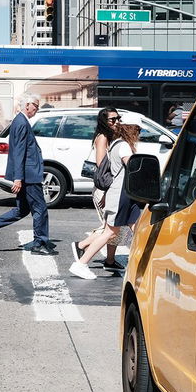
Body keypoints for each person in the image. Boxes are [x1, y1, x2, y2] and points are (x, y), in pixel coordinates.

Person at [0, 93, 54, 255]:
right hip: (28, 174)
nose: (37, 108)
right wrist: (18, 178)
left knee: (22, 209)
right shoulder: (21, 122)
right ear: (27, 105)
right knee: (40, 208)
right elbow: (19, 152)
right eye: (36, 105)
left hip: (27, 173)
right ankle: (39, 243)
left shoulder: (20, 121)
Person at [71, 122, 143, 279]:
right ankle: (80, 263)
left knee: (138, 228)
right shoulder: (123, 146)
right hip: (121, 194)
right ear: (130, 130)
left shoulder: (116, 144)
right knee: (110, 232)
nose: (138, 136)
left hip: (127, 195)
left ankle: (144, 264)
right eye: (137, 131)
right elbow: (133, 166)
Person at [69, 108, 123, 272]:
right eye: (112, 120)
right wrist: (109, 189)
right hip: (105, 188)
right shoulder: (102, 137)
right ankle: (82, 245)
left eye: (118, 118)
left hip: (111, 187)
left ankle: (110, 260)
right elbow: (101, 165)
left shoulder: (112, 137)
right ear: (104, 122)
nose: (116, 122)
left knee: (114, 226)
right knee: (111, 227)